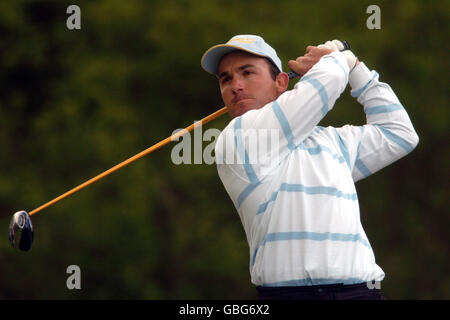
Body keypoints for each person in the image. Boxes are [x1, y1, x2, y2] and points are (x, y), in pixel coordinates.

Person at [200, 35, 419, 300]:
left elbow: (399, 133)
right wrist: (337, 58)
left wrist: (356, 68)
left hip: (362, 292)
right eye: (226, 79)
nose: (235, 86)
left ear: (281, 82)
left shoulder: (333, 141)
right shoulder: (238, 137)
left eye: (247, 73)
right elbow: (326, 83)